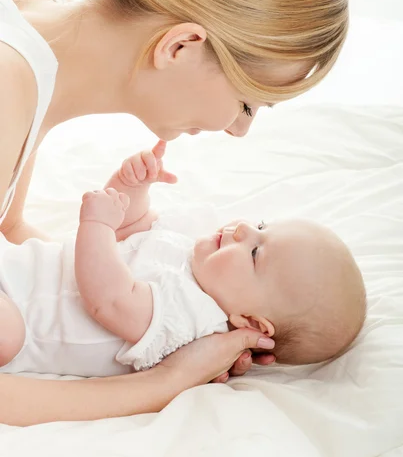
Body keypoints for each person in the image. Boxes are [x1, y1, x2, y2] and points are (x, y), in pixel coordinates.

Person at [0, 0, 348, 424]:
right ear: (182, 45)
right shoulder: (5, 84)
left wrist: (167, 323)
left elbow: (10, 235)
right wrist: (169, 380)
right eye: (248, 103)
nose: (238, 130)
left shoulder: (35, 10)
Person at [0, 141, 366, 377]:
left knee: (7, 334)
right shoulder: (189, 252)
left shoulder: (194, 320)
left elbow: (109, 300)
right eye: (260, 226)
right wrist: (132, 187)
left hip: (25, 321)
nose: (242, 230)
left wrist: (96, 224)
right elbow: (131, 229)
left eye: (255, 252)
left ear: (250, 321)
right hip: (18, 268)